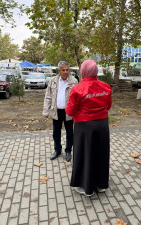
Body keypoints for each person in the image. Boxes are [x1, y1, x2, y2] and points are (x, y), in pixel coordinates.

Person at [65, 60, 112, 196]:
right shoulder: (106, 87)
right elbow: (108, 106)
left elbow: (69, 111)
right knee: (101, 152)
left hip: (84, 126)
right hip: (102, 125)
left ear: (83, 71)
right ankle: (101, 184)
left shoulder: (77, 89)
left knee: (84, 153)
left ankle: (84, 185)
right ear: (96, 71)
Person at [42, 61, 78, 162]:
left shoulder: (74, 81)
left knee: (70, 132)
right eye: (63, 70)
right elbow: (48, 97)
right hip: (56, 111)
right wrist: (46, 111)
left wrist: (76, 112)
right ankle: (57, 150)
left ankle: (68, 151)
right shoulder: (53, 81)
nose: (66, 72)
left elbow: (76, 98)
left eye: (67, 70)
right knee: (56, 133)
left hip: (69, 112)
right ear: (59, 71)